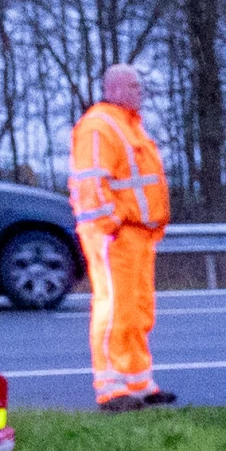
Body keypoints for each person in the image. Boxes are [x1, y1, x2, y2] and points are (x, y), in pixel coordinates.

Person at [68, 65, 175, 411]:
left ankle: (139, 383)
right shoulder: (99, 126)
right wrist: (111, 224)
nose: (140, 91)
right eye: (133, 85)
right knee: (114, 309)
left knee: (138, 310)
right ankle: (111, 387)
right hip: (114, 235)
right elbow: (90, 182)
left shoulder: (129, 124)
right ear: (113, 88)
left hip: (136, 236)